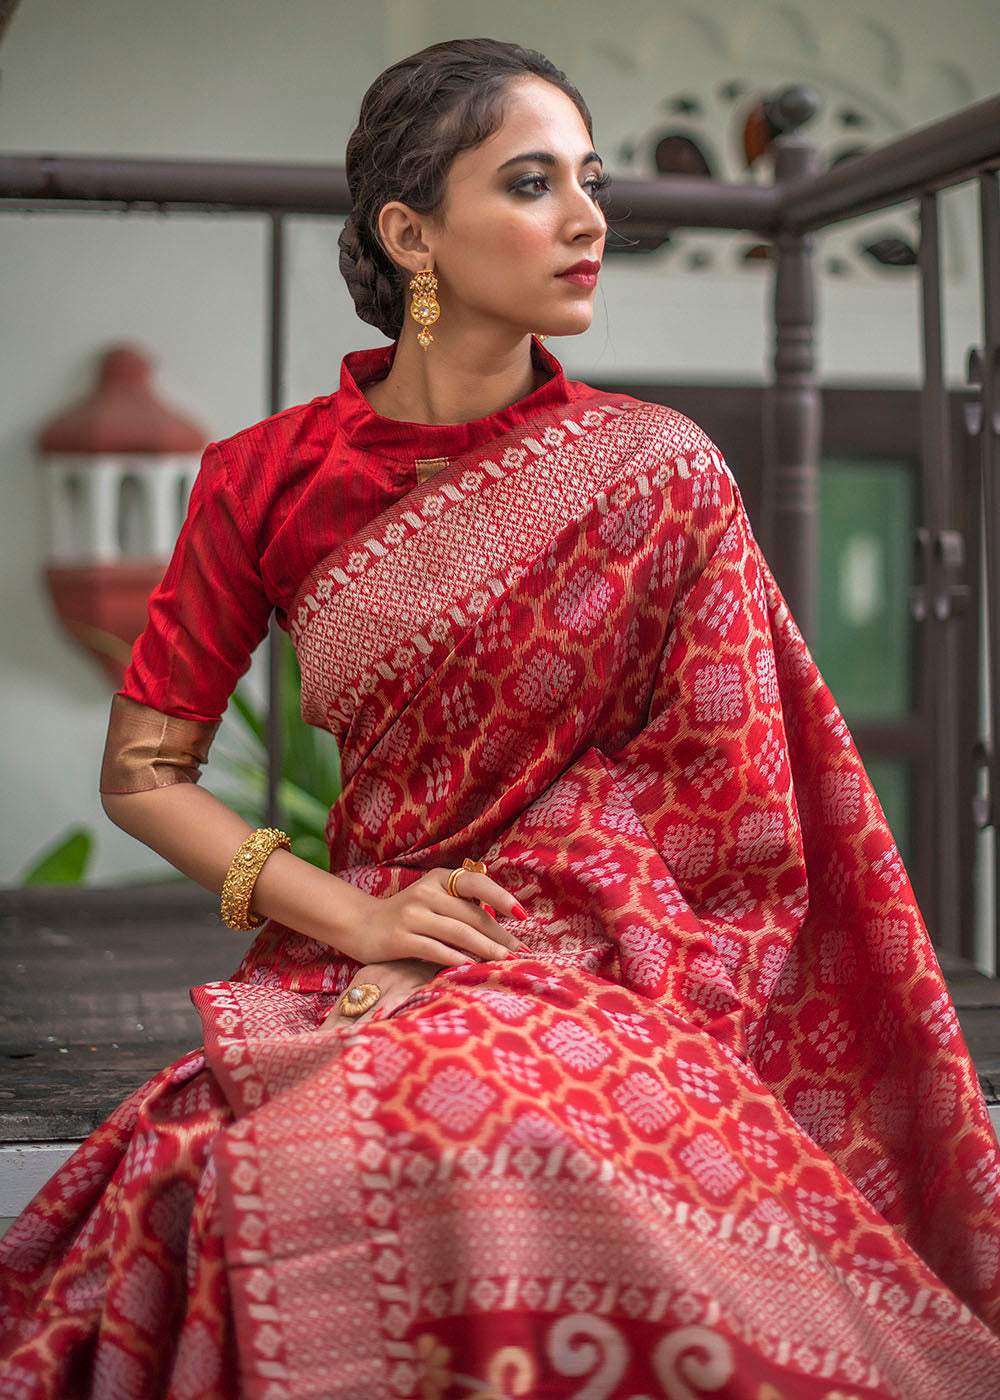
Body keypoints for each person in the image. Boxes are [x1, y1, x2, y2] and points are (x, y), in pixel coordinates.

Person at [2, 36, 999, 1400]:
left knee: (498, 1131)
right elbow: (147, 768)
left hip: (601, 950)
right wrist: (358, 920)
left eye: (591, 180)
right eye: (533, 184)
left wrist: (533, 925)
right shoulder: (264, 478)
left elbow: (730, 807)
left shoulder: (663, 473)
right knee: (218, 1169)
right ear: (411, 231)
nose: (590, 219)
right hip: (362, 941)